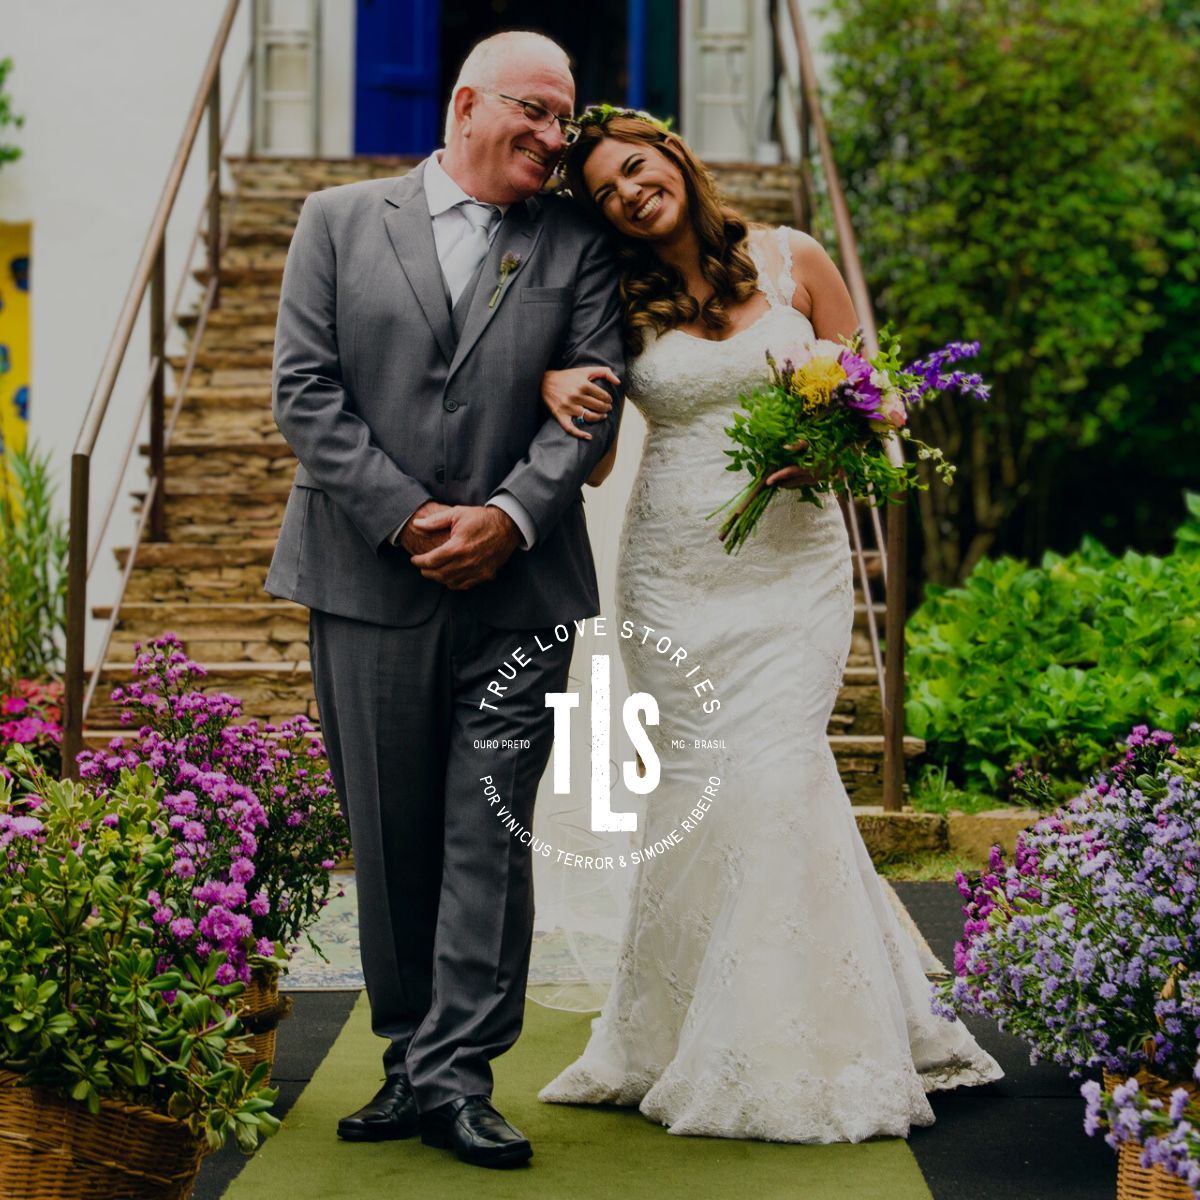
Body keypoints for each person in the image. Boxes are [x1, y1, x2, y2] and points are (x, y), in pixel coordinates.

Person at [536, 109, 1002, 1142]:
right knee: (706, 792)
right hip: (672, 571)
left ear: (673, 157)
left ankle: (806, 1036)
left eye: (636, 169)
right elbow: (602, 456)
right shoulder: (617, 298)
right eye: (606, 193)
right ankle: (674, 1028)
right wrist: (547, 380)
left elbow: (881, 406)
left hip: (793, 569)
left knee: (776, 773)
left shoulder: (794, 257)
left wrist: (831, 452)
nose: (628, 195)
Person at [265, 35, 623, 1168]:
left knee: (488, 835)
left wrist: (508, 519)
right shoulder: (333, 219)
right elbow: (304, 390)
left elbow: (595, 401)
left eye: (566, 122)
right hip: (367, 579)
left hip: (521, 590)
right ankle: (406, 1059)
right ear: (466, 103)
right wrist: (412, 518)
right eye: (538, 112)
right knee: (393, 833)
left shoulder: (577, 241)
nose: (556, 139)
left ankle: (462, 1076)